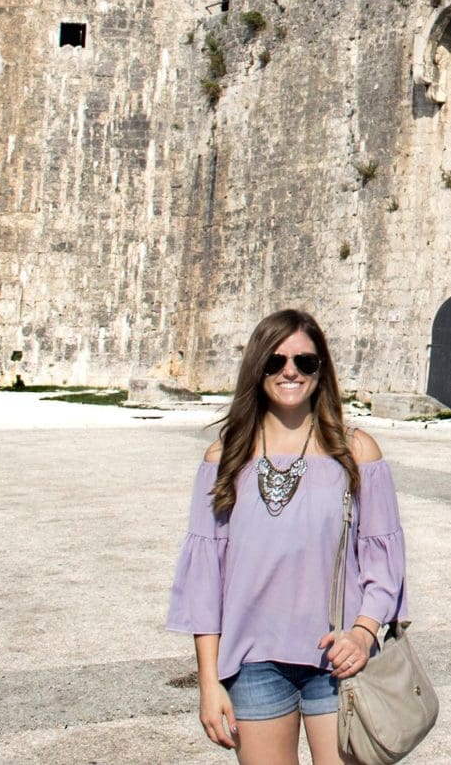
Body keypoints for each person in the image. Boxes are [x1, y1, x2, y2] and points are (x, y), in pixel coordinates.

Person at [168, 309, 407, 763]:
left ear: (322, 370)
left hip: (338, 660)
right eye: (275, 362)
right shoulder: (224, 458)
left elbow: (383, 561)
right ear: (258, 369)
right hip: (253, 662)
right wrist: (208, 683)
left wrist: (362, 634)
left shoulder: (356, 453)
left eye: (305, 362)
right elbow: (206, 581)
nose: (290, 371)